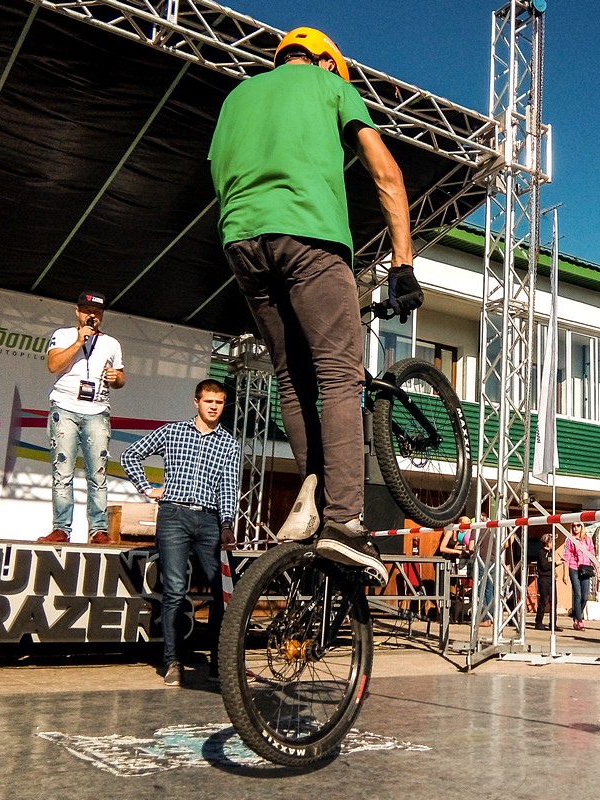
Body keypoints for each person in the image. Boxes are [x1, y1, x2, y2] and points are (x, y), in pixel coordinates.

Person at [209, 27, 424, 587]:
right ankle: (344, 522)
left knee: (290, 376)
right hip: (309, 238)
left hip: (242, 242)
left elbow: (220, 174)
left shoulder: (237, 97)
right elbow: (386, 173)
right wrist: (403, 263)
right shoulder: (330, 87)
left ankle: (310, 497)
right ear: (327, 65)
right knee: (338, 375)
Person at [119, 379, 240, 687]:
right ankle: (173, 661)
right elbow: (130, 455)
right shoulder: (173, 431)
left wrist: (227, 524)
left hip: (210, 520)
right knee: (174, 589)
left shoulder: (229, 443)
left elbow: (228, 487)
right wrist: (147, 488)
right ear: (196, 402)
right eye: (208, 401)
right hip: (174, 514)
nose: (214, 406)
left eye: (219, 402)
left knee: (222, 593)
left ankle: (218, 662)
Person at [38, 290, 126, 544]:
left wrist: (116, 378)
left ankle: (98, 530)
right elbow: (53, 366)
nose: (92, 315)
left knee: (97, 473)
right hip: (65, 407)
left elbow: (120, 378)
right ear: (77, 312)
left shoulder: (111, 343)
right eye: (87, 311)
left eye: (97, 312)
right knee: (62, 471)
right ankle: (61, 529)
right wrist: (78, 341)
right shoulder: (63, 335)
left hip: (97, 411)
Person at [561, 522, 598, 631]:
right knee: (577, 593)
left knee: (585, 596)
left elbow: (592, 555)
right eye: (573, 526)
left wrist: (598, 571)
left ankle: (576, 615)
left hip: (585, 568)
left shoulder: (587, 539)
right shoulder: (569, 539)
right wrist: (564, 574)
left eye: (578, 525)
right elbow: (566, 557)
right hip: (574, 568)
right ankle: (579, 620)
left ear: (582, 526)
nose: (575, 528)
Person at [534, 533, 562, 631]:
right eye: (551, 541)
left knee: (554, 601)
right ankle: (538, 622)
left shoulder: (551, 553)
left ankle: (553, 624)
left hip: (551, 578)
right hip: (544, 579)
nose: (553, 544)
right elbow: (545, 566)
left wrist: (555, 570)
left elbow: (550, 565)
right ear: (547, 542)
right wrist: (555, 564)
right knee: (543, 600)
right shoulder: (541, 553)